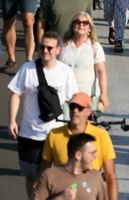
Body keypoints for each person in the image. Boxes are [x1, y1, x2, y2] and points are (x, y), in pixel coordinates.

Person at [7, 29, 79, 197]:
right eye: (42, 47)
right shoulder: (28, 68)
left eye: (49, 48)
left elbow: (74, 100)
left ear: (58, 50)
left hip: (54, 135)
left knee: (54, 177)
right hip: (29, 134)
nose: (45, 51)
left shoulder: (65, 72)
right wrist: (12, 120)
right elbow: (16, 94)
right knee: (31, 177)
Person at [40, 92, 116, 196]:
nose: (75, 111)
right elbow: (44, 173)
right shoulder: (54, 135)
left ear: (89, 112)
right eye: (72, 107)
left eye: (80, 108)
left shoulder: (101, 136)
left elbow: (110, 176)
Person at [32, 131, 107, 200]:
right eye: (92, 153)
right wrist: (61, 198)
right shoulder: (49, 176)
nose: (96, 156)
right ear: (78, 155)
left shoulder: (95, 177)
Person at [58, 15, 109, 110]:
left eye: (85, 23)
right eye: (77, 22)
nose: (81, 24)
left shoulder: (95, 47)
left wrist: (103, 94)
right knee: (67, 124)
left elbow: (101, 72)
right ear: (72, 26)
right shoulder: (63, 45)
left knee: (85, 125)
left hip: (87, 99)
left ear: (90, 28)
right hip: (65, 98)